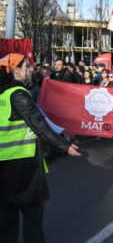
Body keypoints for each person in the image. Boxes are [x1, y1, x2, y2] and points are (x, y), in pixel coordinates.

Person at [0, 54, 81, 243]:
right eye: (27, 67)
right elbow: (39, 124)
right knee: (33, 218)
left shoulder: (2, 94)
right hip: (24, 167)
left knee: (6, 221)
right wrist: (65, 145)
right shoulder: (18, 94)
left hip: (4, 166)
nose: (31, 70)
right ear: (16, 70)